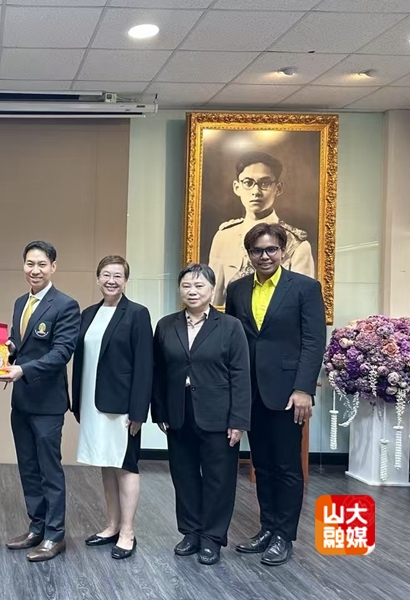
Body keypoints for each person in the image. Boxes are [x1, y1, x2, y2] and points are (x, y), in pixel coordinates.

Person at [226, 223, 325, 566]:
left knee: (286, 465)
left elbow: (314, 341)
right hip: (249, 391)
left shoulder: (305, 288)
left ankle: (284, 534)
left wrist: (304, 388)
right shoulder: (237, 289)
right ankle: (267, 527)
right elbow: (233, 341)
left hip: (287, 392)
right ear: (249, 254)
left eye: (271, 249)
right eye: (257, 250)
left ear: (282, 251)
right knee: (262, 465)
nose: (264, 256)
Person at [152, 263, 250, 566]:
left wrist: (238, 420)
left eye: (199, 286)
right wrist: (160, 410)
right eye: (186, 286)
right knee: (184, 475)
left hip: (219, 415)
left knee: (219, 479)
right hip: (178, 412)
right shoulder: (166, 325)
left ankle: (212, 538)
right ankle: (191, 532)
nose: (192, 291)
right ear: (179, 290)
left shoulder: (230, 326)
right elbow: (158, 372)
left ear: (212, 290)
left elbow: (240, 375)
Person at [0, 241, 80, 562]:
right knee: (28, 468)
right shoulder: (21, 302)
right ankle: (37, 526)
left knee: (49, 470)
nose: (35, 270)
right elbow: (20, 345)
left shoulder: (66, 305)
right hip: (21, 401)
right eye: (30, 264)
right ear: (23, 266)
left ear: (53, 267)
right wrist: (6, 351)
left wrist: (22, 369)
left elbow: (61, 353)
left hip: (47, 403)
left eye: (42, 264)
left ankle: (55, 535)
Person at [71, 255, 152, 560]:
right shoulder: (89, 313)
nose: (111, 280)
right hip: (92, 402)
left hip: (122, 407)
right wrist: (77, 402)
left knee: (126, 465)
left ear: (126, 281)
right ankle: (112, 525)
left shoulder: (137, 314)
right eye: (106, 274)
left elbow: (145, 365)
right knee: (106, 463)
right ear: (98, 279)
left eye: (118, 275)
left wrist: (138, 411)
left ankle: (128, 531)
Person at [208, 151, 314, 306]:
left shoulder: (297, 245)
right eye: (248, 183)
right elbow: (214, 300)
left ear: (278, 188)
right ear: (237, 187)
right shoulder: (224, 238)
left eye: (265, 183)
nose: (256, 192)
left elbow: (302, 302)